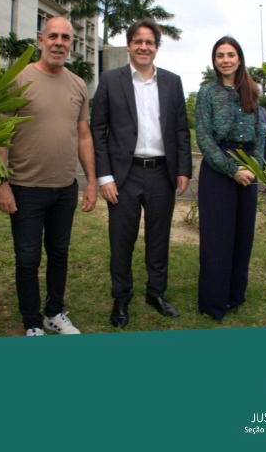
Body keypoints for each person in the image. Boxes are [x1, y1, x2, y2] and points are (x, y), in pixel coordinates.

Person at [0, 16, 98, 337]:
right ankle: (31, 323)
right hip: (25, 189)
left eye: (65, 38)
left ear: (72, 45)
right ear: (40, 40)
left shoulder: (78, 84)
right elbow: (0, 136)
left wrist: (91, 182)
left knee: (59, 253)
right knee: (27, 259)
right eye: (53, 36)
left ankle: (54, 313)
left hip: (64, 188)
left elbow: (84, 135)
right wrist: (2, 183)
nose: (59, 43)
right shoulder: (18, 78)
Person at [90, 18, 193, 328]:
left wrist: (184, 169)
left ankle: (156, 293)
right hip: (124, 175)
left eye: (150, 42)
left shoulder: (173, 82)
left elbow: (180, 129)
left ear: (156, 48)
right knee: (121, 240)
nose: (144, 47)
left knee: (159, 239)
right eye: (138, 41)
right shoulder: (110, 80)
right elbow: (97, 130)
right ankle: (121, 298)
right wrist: (104, 176)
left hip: (162, 173)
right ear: (129, 45)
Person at [195, 36, 266, 322]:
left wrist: (255, 168)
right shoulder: (207, 92)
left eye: (231, 54)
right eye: (220, 55)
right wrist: (232, 170)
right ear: (215, 61)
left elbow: (261, 133)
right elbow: (203, 136)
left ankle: (235, 295)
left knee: (242, 236)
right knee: (217, 238)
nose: (225, 59)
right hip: (218, 169)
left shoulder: (252, 90)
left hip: (249, 168)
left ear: (239, 58)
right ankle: (213, 302)